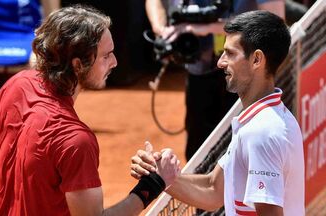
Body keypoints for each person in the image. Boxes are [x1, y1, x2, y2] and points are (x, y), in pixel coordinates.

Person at [0, 5, 180, 216]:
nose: (115, 62)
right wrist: (151, 186)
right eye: (106, 56)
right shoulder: (75, 140)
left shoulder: (15, 86)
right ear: (78, 64)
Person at [131, 10, 305, 215]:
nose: (220, 62)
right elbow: (213, 190)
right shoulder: (264, 120)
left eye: (230, 53)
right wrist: (159, 176)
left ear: (257, 59)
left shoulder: (262, 132)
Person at [145, 0, 285, 161]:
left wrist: (207, 28)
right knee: (198, 151)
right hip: (198, 71)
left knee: (244, 150)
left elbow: (274, 22)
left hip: (246, 78)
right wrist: (162, 30)